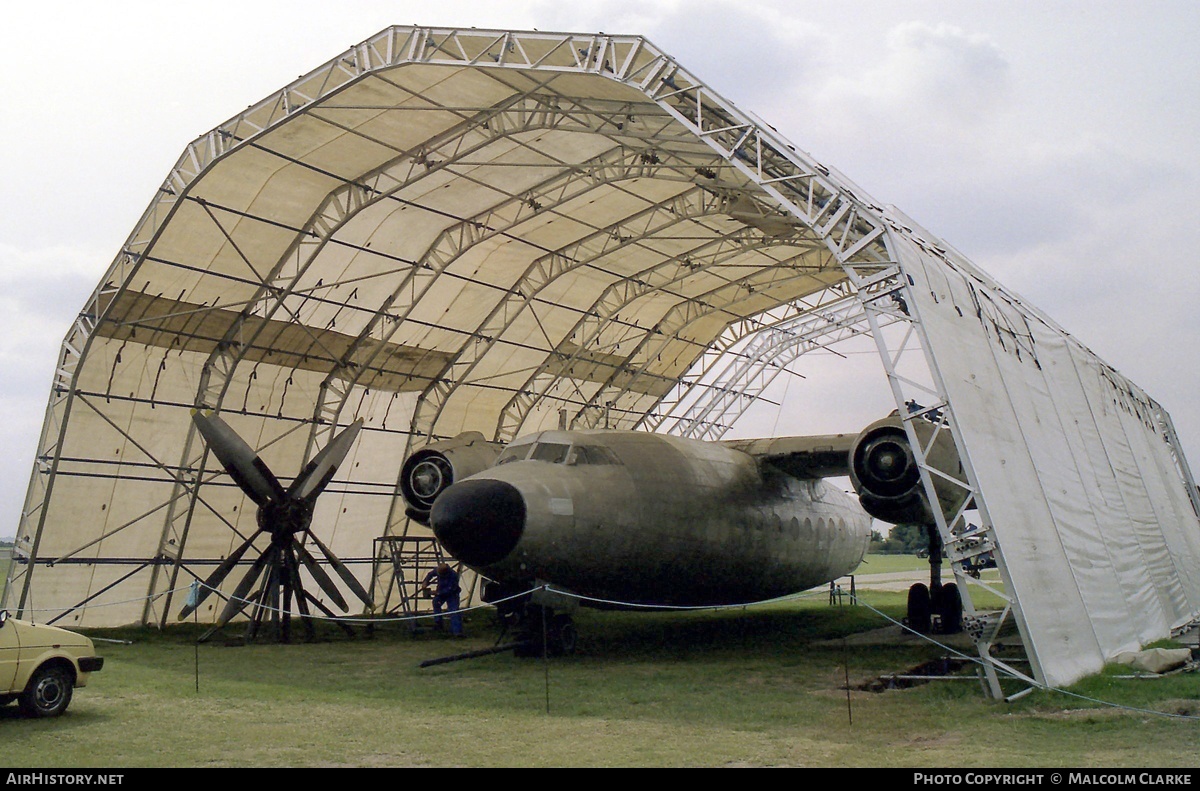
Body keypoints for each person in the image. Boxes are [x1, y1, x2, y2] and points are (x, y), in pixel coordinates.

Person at [422, 562, 463, 636]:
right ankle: (438, 623)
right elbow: (430, 574)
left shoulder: (453, 576)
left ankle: (457, 631)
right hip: (441, 592)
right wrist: (425, 581)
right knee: (436, 602)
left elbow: (450, 589)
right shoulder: (438, 570)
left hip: (452, 594)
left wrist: (437, 593)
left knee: (454, 611)